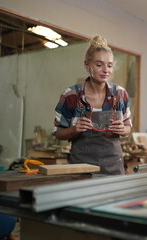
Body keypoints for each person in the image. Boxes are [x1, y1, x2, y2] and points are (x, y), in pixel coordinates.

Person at [53, 35, 132, 175]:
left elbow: (128, 127)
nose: (106, 70)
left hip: (113, 166)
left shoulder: (120, 94)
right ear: (87, 65)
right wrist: (74, 129)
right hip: (81, 166)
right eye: (99, 64)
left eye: (109, 65)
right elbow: (58, 133)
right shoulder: (71, 95)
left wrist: (122, 129)